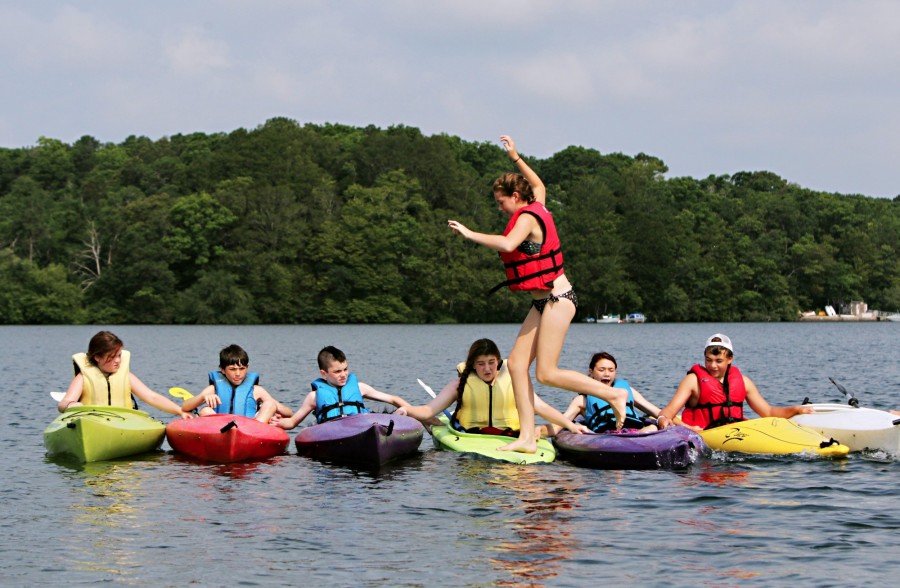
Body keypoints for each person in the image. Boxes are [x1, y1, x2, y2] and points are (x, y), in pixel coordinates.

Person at [447, 135, 627, 452]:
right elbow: (539, 184)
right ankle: (528, 438)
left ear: (515, 197)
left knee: (546, 373)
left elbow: (506, 245)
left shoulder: (529, 217)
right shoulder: (537, 202)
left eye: (501, 202)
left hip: (559, 299)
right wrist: (515, 156)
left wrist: (468, 233)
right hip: (542, 302)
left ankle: (613, 394)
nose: (500, 207)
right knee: (516, 365)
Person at [396, 338, 590, 437]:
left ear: (498, 362)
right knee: (429, 419)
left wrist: (571, 426)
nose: (487, 368)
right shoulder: (459, 385)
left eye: (491, 362)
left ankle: (572, 426)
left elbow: (542, 408)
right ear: (472, 365)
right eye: (481, 363)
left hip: (509, 434)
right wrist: (406, 410)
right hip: (469, 434)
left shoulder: (514, 383)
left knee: (546, 429)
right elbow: (428, 409)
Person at [656, 334, 813, 432]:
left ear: (730, 359)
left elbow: (769, 412)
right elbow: (666, 413)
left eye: (719, 361)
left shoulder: (744, 382)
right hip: (702, 434)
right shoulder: (693, 381)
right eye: (708, 360)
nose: (712, 366)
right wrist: (684, 427)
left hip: (735, 433)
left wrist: (795, 409)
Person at [57, 330, 192, 419]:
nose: (118, 360)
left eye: (119, 355)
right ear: (97, 357)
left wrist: (179, 411)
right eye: (112, 356)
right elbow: (64, 403)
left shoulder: (126, 377)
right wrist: (71, 405)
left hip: (122, 422)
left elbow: (152, 397)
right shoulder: (83, 377)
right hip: (92, 422)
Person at [274, 346, 412, 430]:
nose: (343, 375)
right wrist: (277, 423)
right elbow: (293, 422)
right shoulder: (314, 397)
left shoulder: (359, 387)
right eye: (337, 371)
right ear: (324, 373)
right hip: (333, 430)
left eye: (345, 369)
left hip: (362, 425)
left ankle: (391, 421)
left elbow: (393, 399)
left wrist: (419, 416)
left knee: (399, 411)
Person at [550, 351, 662, 435]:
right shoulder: (582, 400)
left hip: (637, 431)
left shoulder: (628, 391)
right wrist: (541, 431)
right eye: (601, 370)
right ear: (591, 372)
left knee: (652, 428)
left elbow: (657, 412)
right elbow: (560, 424)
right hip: (605, 435)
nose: (607, 374)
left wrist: (666, 419)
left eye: (611, 370)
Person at [180, 344, 293, 424]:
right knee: (205, 410)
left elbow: (289, 413)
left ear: (247, 368)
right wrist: (202, 397)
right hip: (220, 428)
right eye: (232, 369)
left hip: (252, 428)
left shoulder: (257, 390)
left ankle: (254, 430)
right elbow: (185, 407)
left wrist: (272, 410)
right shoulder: (213, 389)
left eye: (242, 368)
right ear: (223, 370)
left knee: (270, 404)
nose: (238, 373)